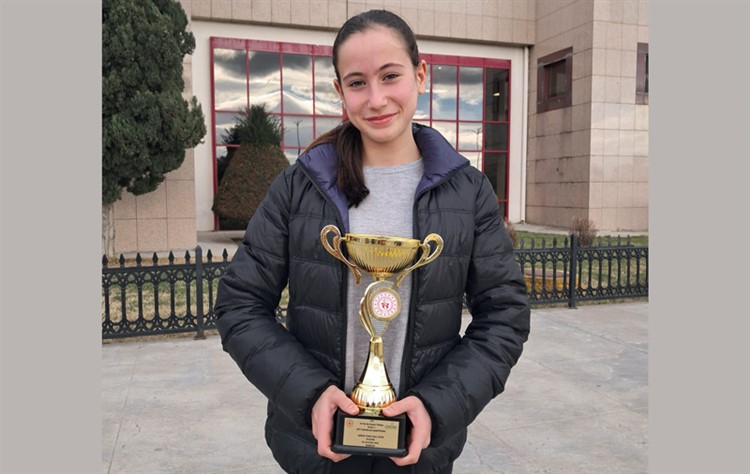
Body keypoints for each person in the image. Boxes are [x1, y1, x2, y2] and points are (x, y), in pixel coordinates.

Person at [215, 9, 530, 474]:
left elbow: (504, 316)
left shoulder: (468, 192)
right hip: (316, 448)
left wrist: (437, 406)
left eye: (390, 76)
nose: (377, 99)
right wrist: (310, 395)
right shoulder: (300, 186)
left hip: (419, 452)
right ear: (340, 91)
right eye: (358, 83)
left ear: (420, 75)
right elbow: (239, 305)